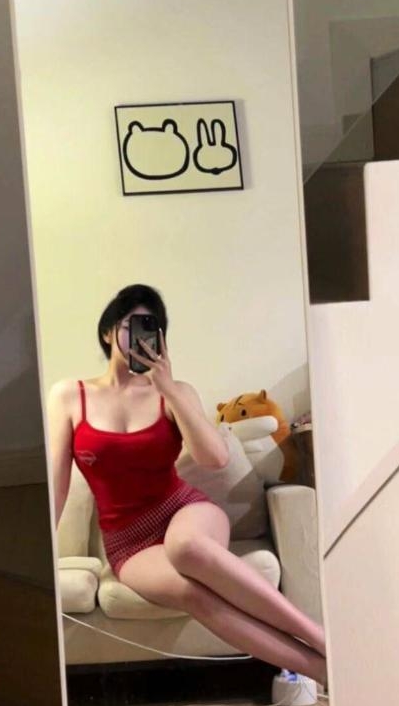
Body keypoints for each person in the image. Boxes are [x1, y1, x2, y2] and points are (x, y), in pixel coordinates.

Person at [48, 283, 327, 686]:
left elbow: (214, 459)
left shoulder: (176, 393)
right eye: (130, 326)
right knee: (192, 594)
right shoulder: (69, 396)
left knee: (187, 547)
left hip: (185, 512)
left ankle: (321, 638)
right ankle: (324, 670)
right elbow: (57, 484)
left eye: (151, 328)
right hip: (128, 541)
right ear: (108, 332)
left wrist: (169, 389)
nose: (139, 338)